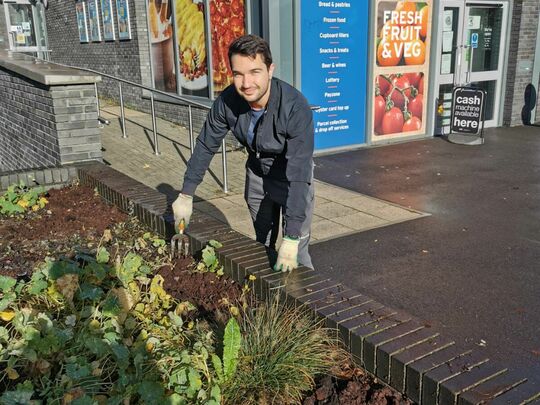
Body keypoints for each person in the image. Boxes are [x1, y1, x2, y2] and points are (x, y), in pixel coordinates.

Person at [173, 34, 315, 272]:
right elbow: (206, 145)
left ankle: (305, 304)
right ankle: (268, 299)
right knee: (262, 243)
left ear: (270, 70)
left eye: (255, 72)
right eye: (238, 74)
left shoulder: (295, 108)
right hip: (258, 176)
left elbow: (299, 173)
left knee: (296, 253)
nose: (246, 83)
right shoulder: (228, 101)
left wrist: (291, 237)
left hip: (292, 179)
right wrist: (187, 193)